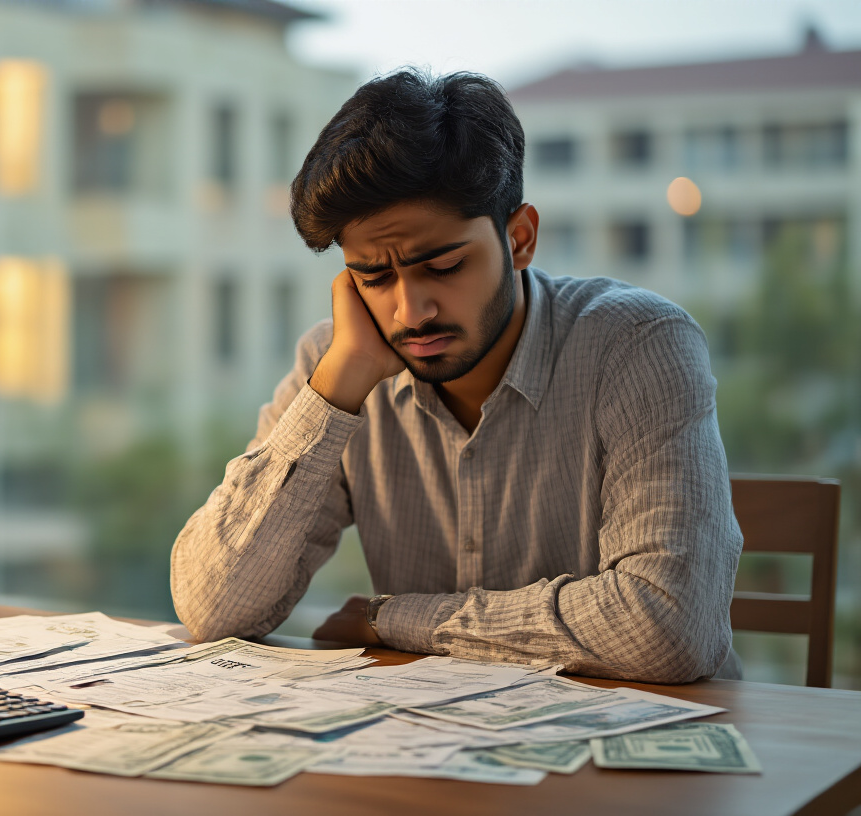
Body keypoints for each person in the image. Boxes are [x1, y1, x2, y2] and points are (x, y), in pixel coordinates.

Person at [169, 69, 743, 683]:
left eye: (443, 266)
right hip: (423, 755)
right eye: (373, 276)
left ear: (519, 239)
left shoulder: (637, 346)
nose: (410, 311)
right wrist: (335, 389)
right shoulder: (337, 364)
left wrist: (394, 620)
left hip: (638, 757)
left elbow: (666, 627)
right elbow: (214, 608)